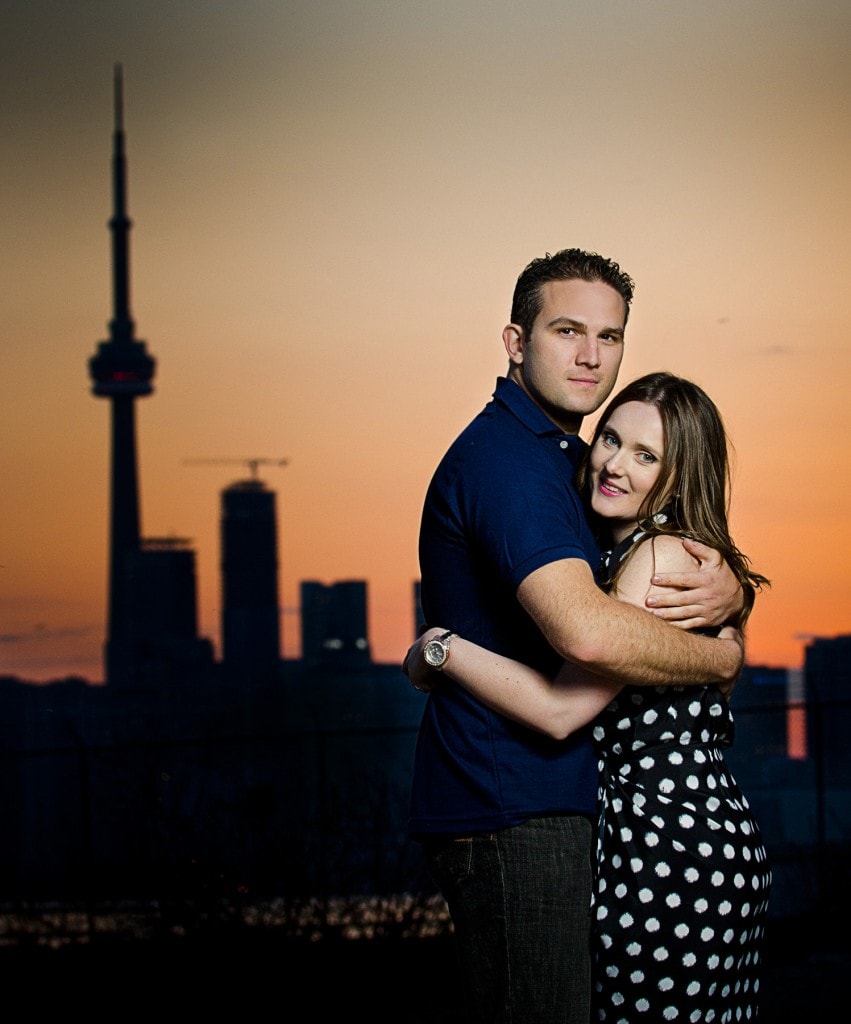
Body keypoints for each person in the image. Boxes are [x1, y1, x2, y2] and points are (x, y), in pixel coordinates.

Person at [406, 248, 746, 1024]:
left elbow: (644, 597)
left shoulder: (567, 464)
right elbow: (589, 635)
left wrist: (727, 604)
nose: (591, 356)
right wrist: (721, 654)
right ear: (515, 341)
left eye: (610, 336)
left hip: (559, 802)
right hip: (508, 804)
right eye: (566, 330)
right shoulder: (512, 466)